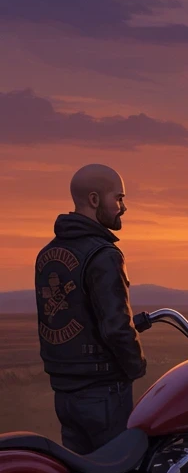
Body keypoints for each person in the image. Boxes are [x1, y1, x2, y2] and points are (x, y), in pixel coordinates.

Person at [35, 164, 146, 454]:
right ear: (95, 200)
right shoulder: (104, 255)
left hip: (64, 393)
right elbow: (116, 327)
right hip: (103, 391)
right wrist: (136, 366)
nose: (123, 208)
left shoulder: (48, 254)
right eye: (118, 198)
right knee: (120, 471)